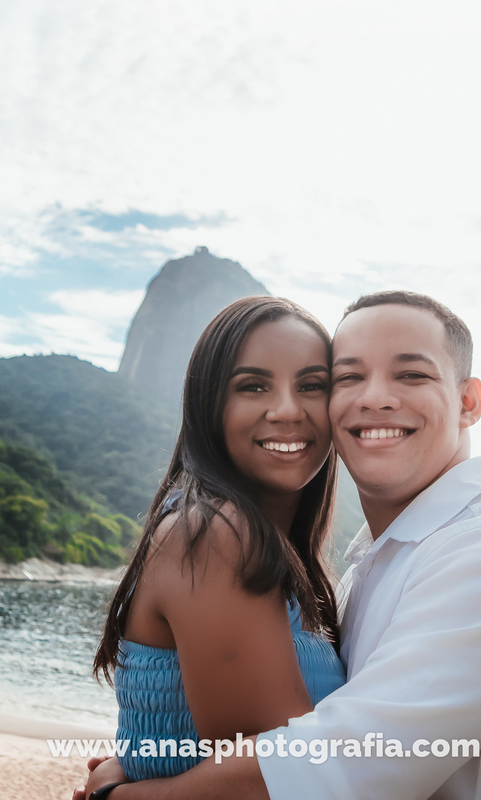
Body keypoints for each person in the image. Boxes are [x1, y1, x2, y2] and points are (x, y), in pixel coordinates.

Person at [80, 290, 481, 800]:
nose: (374, 396)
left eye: (411, 374)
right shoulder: (357, 562)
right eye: (349, 376)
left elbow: (328, 773)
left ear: (468, 402)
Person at [88, 296, 346, 786]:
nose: (288, 409)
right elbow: (284, 779)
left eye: (313, 385)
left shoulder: (279, 554)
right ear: (211, 406)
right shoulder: (214, 535)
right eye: (253, 386)